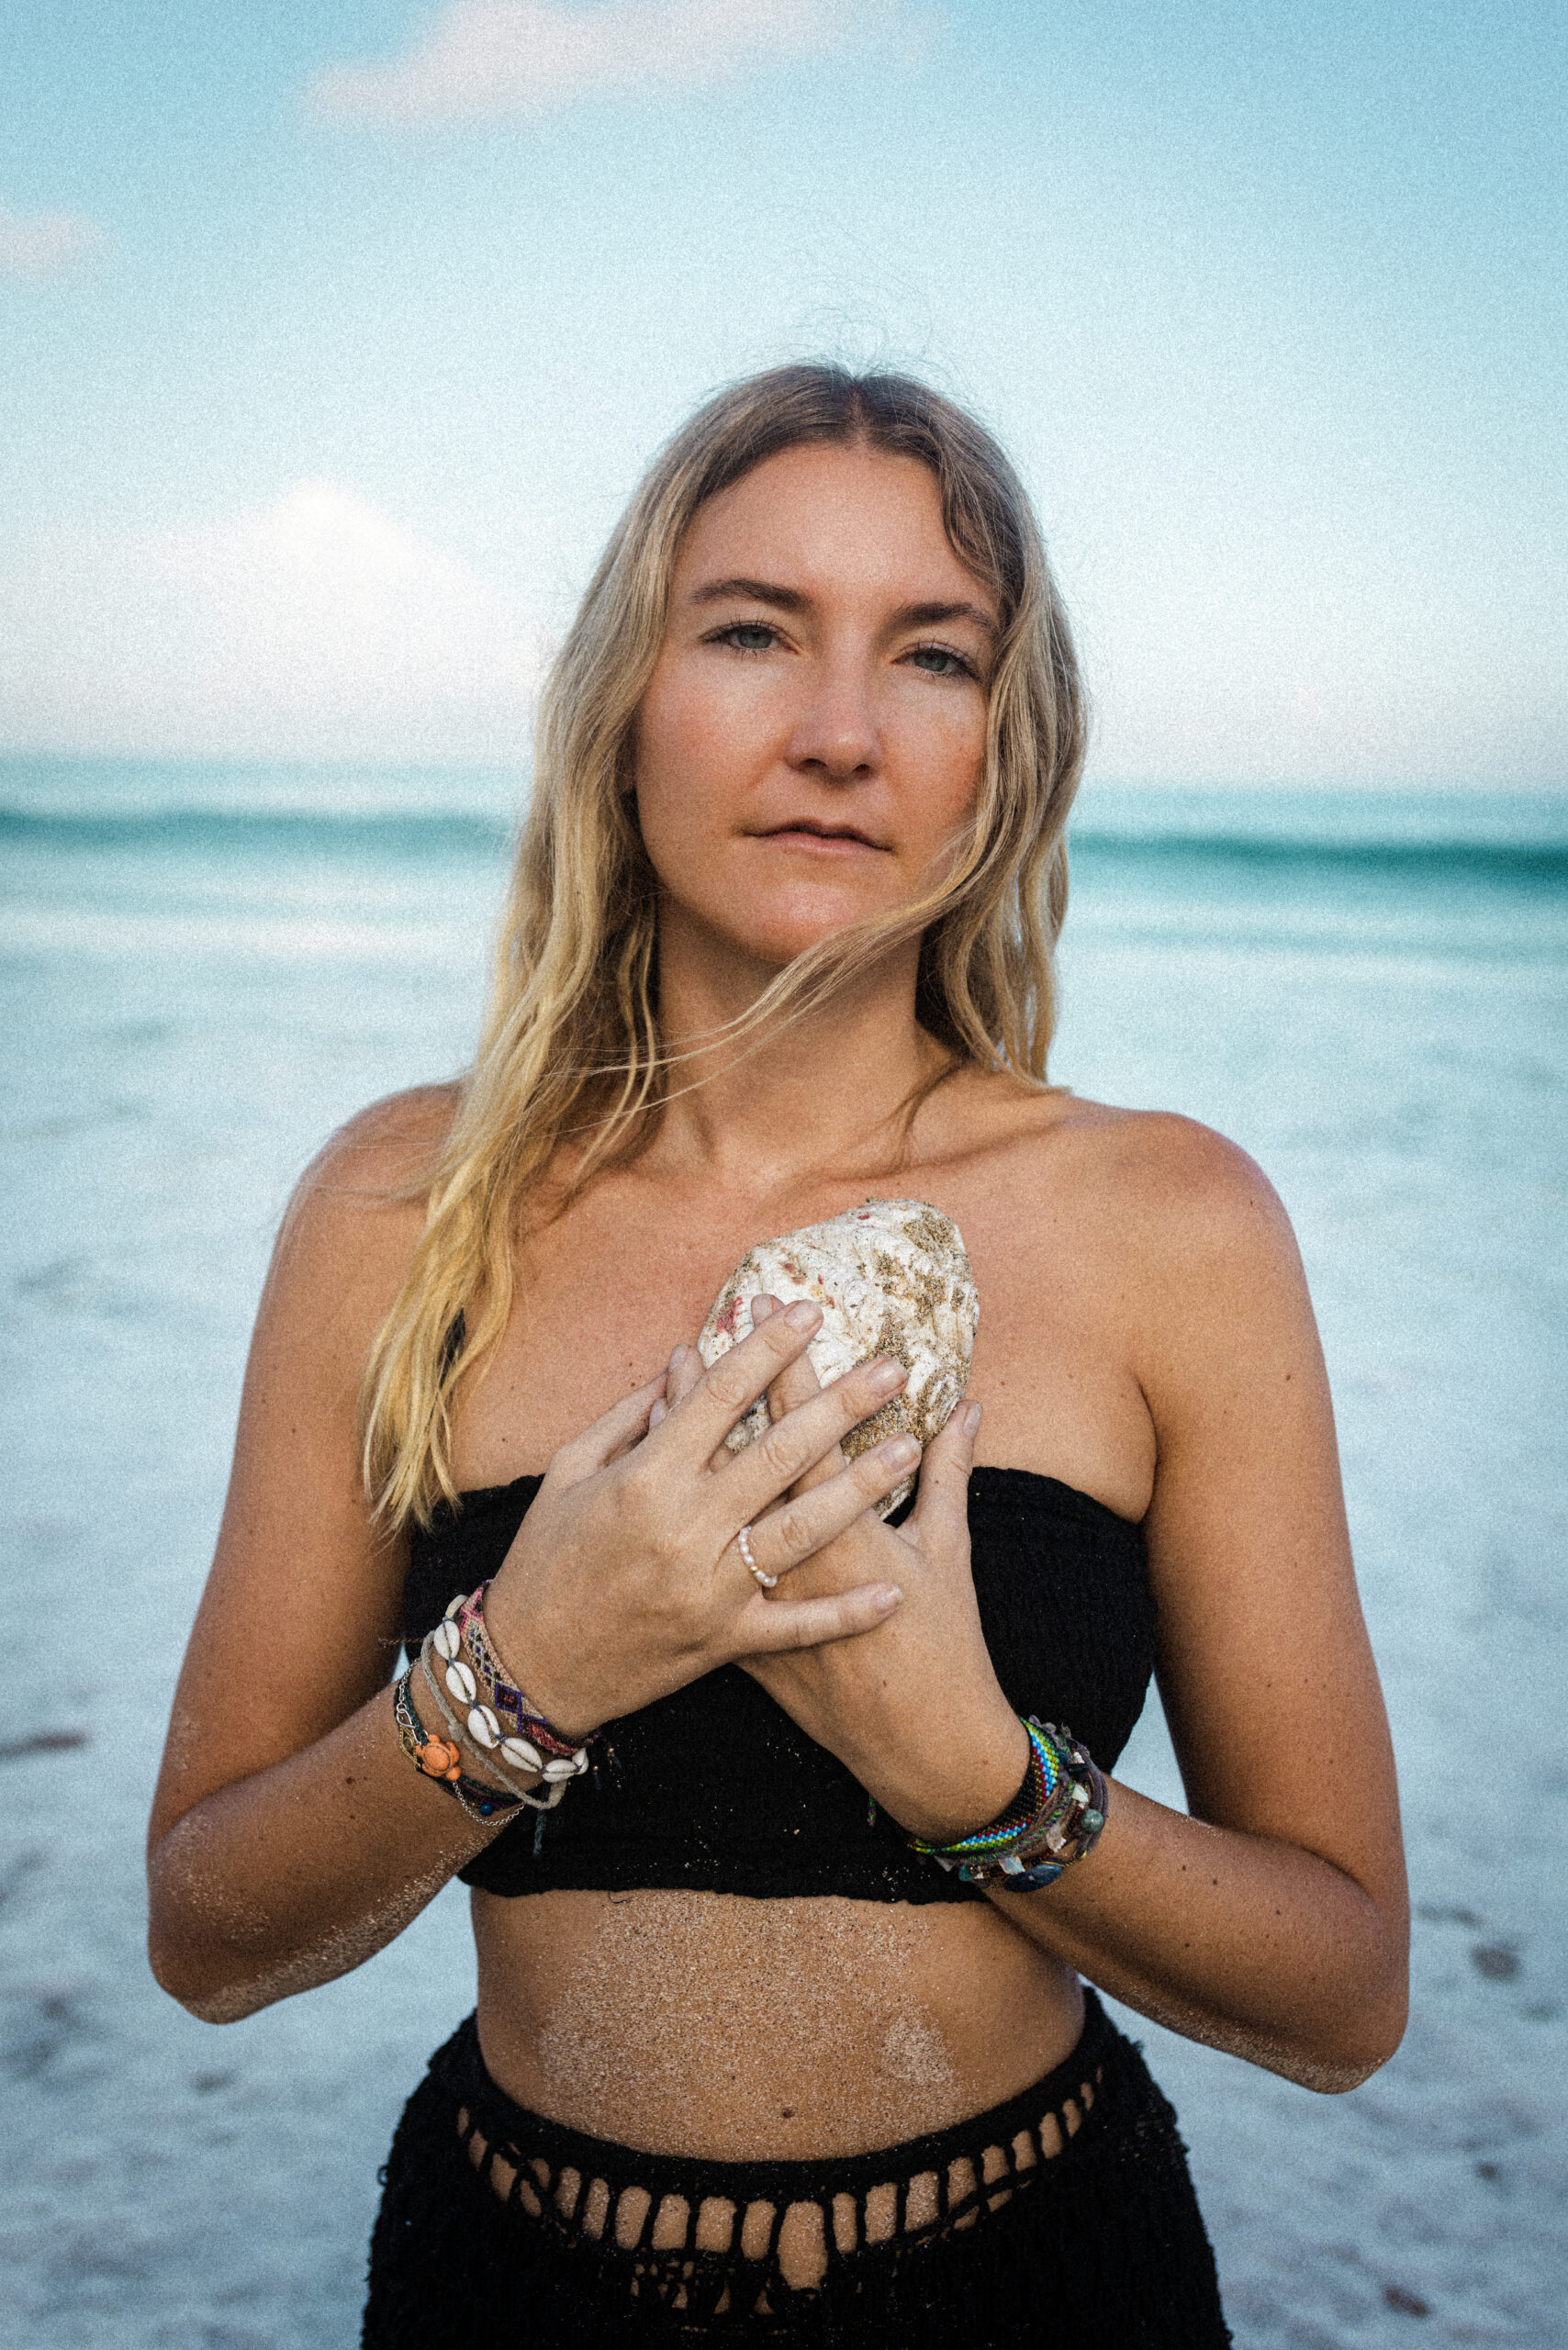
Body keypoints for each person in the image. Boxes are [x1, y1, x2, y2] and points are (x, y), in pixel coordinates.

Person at [147, 364, 1408, 2348]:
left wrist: (973, 1776)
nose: (836, 731)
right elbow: (209, 1930)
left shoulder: (1177, 1228)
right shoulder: (399, 1207)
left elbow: (1340, 1991)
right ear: (620, 700)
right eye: (750, 630)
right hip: (508, 2286)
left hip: (1038, 2278)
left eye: (928, 653)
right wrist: (523, 1674)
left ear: (1005, 746)